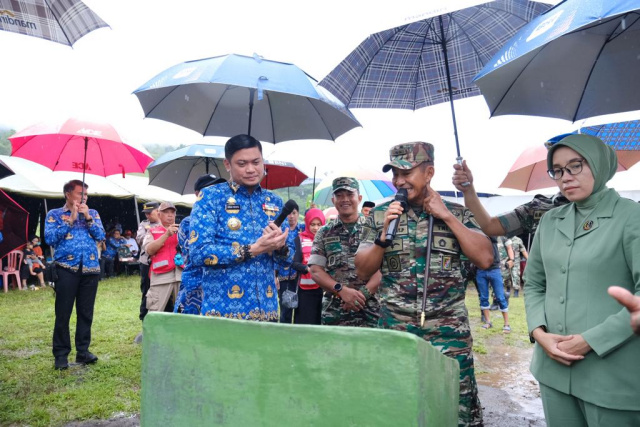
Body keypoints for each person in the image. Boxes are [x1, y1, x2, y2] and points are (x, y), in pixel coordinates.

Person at [354, 142, 493, 427]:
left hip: (448, 332)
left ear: (429, 172)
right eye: (395, 174)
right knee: (396, 404)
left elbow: (485, 258)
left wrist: (446, 216)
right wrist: (382, 238)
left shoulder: (458, 212)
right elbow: (362, 270)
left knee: (456, 406)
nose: (399, 182)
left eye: (406, 173)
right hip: (396, 329)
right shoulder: (380, 215)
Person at [525, 134, 640, 426]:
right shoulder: (551, 221)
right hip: (552, 370)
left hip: (612, 374)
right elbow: (534, 284)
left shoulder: (631, 217)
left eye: (575, 165)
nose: (566, 177)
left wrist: (590, 341)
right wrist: (539, 333)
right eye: (558, 170)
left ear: (600, 165)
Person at [188, 134, 292, 321]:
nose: (251, 169)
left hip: (267, 311)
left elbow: (286, 261)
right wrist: (254, 249)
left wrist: (280, 247)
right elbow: (198, 252)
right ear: (227, 165)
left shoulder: (274, 201)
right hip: (223, 313)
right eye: (242, 164)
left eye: (256, 162)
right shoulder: (211, 198)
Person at [45, 180, 105, 370]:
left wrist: (86, 216)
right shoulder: (54, 215)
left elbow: (101, 235)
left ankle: (83, 351)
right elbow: (50, 239)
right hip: (65, 269)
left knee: (86, 313)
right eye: (80, 193)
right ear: (68, 194)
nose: (83, 197)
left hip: (90, 269)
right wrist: (70, 219)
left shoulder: (93, 213)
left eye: (86, 194)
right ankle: (61, 355)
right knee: (63, 313)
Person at [308, 177, 381, 328]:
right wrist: (341, 291)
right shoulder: (324, 232)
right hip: (335, 312)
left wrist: (360, 296)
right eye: (340, 195)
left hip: (371, 312)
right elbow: (315, 270)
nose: (345, 199)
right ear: (333, 200)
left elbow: (383, 269)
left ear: (359, 198)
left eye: (350, 195)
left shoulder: (375, 229)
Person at [174, 174, 225, 315]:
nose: (215, 192)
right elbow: (199, 253)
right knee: (190, 331)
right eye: (209, 189)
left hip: (218, 286)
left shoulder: (223, 220)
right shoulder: (188, 222)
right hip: (195, 286)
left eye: (218, 188)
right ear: (197, 194)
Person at [142, 202, 182, 314]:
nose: (170, 215)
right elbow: (149, 250)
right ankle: (153, 331)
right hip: (161, 276)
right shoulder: (152, 231)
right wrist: (166, 235)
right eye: (166, 212)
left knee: (184, 312)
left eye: (172, 212)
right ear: (159, 214)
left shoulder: (183, 231)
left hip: (181, 274)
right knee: (155, 311)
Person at [291, 208, 325, 325]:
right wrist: (308, 269)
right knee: (304, 322)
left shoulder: (326, 240)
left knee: (319, 322)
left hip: (322, 289)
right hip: (304, 291)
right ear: (307, 224)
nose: (316, 228)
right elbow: (295, 263)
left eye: (319, 224)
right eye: (312, 224)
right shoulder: (300, 239)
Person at [277, 199, 304, 323]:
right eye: (289, 213)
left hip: (301, 275)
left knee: (300, 308)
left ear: (298, 214)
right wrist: (274, 275)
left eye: (294, 213)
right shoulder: (281, 230)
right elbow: (274, 255)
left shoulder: (303, 229)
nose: (291, 216)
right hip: (284, 275)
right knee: (286, 308)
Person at [477, 238, 510, 332]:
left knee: (500, 297)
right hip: (481, 270)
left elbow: (493, 237)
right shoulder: (477, 234)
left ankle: (507, 324)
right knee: (483, 298)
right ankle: (488, 322)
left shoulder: (492, 234)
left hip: (494, 270)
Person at [136, 201, 160, 324]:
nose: (147, 216)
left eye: (150, 213)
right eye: (146, 213)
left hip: (162, 261)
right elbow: (140, 239)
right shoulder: (144, 224)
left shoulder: (166, 223)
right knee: (146, 289)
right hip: (146, 262)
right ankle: (144, 317)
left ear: (158, 211)